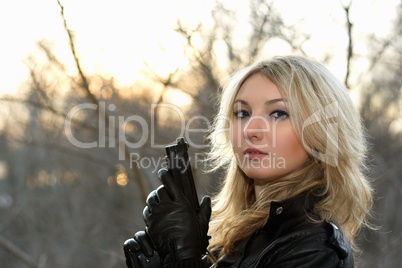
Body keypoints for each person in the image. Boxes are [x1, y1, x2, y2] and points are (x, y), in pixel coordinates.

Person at [125, 55, 373, 267]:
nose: (251, 129)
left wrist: (184, 260)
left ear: (323, 134)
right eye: (242, 113)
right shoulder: (235, 237)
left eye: (279, 113)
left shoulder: (314, 250)